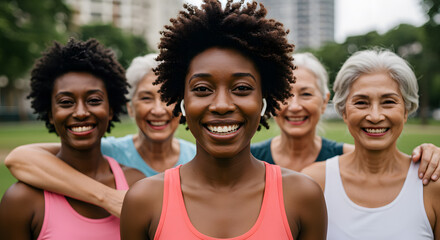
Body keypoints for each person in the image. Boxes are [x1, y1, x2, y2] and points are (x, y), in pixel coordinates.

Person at [120, 0, 327, 239]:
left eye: (241, 88)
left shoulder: (302, 197)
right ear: (181, 100)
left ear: (264, 99)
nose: (221, 105)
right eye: (202, 89)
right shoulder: (144, 200)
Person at [4, 53, 196, 217]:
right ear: (130, 108)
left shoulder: (196, 158)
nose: (158, 110)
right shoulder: (107, 152)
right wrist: (109, 198)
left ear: (182, 106)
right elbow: (19, 159)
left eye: (167, 98)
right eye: (146, 98)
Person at [0, 38, 145, 239]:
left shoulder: (137, 184)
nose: (80, 112)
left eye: (94, 100)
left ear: (111, 110)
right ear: (50, 114)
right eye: (66, 102)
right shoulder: (22, 200)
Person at [302, 49, 440, 239]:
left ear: (406, 110)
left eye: (388, 102)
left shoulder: (432, 185)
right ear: (344, 112)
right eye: (361, 103)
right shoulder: (313, 183)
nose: (375, 116)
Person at [250, 52, 440, 183]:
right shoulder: (249, 158)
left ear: (325, 101)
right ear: (273, 102)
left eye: (306, 94)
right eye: (284, 96)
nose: (295, 106)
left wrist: (428, 154)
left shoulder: (349, 156)